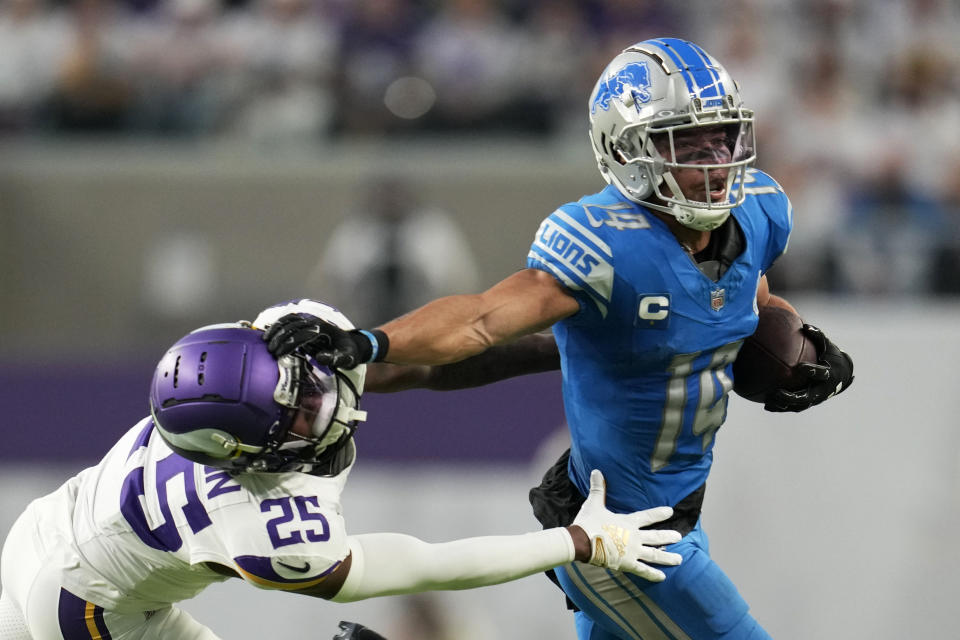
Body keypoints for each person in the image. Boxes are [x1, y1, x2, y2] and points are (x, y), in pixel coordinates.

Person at [263, 38, 855, 640]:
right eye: (685, 145)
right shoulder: (606, 240)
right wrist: (367, 342)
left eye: (719, 139)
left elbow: (750, 293)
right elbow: (482, 318)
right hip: (620, 527)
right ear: (627, 151)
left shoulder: (757, 211)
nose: (711, 164)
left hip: (675, 513)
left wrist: (794, 337)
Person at [0, 298, 682, 640]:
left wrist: (566, 352)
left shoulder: (287, 343)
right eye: (296, 418)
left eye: (307, 387)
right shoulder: (261, 523)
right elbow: (425, 564)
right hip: (87, 609)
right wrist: (579, 542)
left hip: (52, 529)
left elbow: (413, 363)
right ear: (249, 457)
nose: (322, 406)